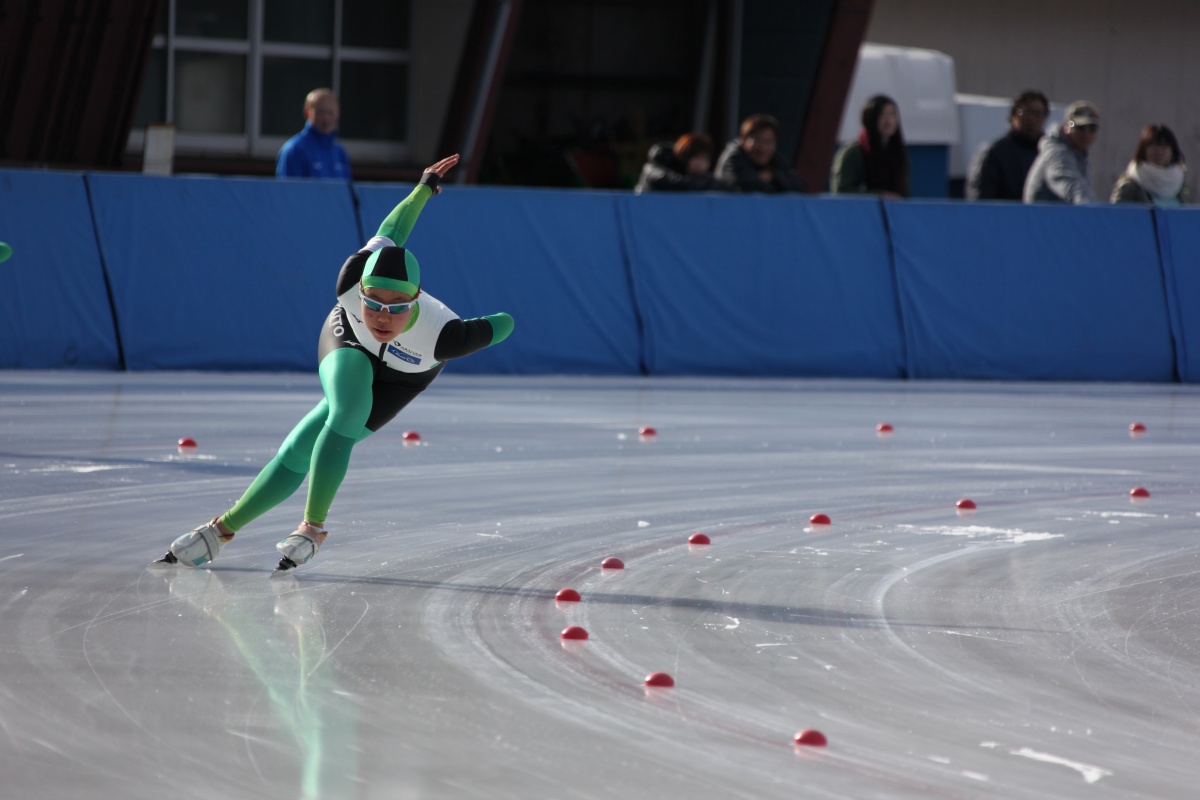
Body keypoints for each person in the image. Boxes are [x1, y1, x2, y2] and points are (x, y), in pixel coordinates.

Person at [156, 154, 514, 572]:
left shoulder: (445, 336)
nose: (382, 316)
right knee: (346, 410)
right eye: (373, 301)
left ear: (417, 301)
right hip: (348, 339)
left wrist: (484, 329)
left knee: (302, 447)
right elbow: (392, 230)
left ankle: (225, 530)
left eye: (397, 307)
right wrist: (425, 185)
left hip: (405, 377)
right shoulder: (349, 283)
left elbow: (505, 323)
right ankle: (310, 526)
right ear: (358, 290)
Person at [966, 90, 1049, 201]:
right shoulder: (995, 153)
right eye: (1027, 112)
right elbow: (980, 198)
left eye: (1038, 114)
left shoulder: (1048, 154)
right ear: (1013, 116)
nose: (1032, 119)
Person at [830, 95, 911, 198]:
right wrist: (880, 196)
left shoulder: (900, 156)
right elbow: (841, 192)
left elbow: (904, 197)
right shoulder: (852, 153)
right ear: (870, 118)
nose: (888, 119)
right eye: (881, 114)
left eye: (892, 114)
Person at [1023, 101, 1100, 204]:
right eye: (1080, 127)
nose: (1086, 133)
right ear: (1066, 126)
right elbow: (1072, 187)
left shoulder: (1078, 154)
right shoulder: (1057, 153)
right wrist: (1096, 213)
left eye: (1092, 128)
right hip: (1043, 218)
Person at [713, 114, 806, 193]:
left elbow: (800, 188)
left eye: (769, 141)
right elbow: (745, 189)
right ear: (743, 138)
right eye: (758, 140)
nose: (763, 148)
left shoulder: (775, 160)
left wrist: (774, 177)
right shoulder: (732, 159)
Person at [276, 88, 352, 180]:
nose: (326, 118)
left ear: (338, 114)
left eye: (330, 112)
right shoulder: (294, 149)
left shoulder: (339, 152)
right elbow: (287, 191)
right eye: (320, 112)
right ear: (307, 113)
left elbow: (347, 191)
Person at [1110, 124, 1188, 206]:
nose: (1158, 151)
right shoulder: (1129, 187)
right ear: (1143, 150)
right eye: (1153, 145)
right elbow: (1116, 216)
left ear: (1173, 152)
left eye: (1164, 146)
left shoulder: (1179, 186)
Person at [633, 132, 718, 193]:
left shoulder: (706, 180)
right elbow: (674, 183)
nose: (701, 164)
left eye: (705, 159)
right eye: (696, 158)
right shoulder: (656, 168)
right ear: (684, 157)